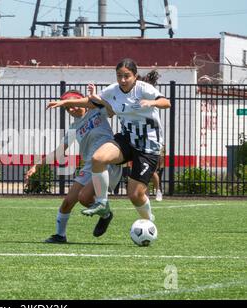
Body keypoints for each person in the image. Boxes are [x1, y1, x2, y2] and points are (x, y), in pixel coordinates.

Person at [47, 59, 171, 223]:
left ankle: (149, 222)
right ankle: (102, 203)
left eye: (127, 76)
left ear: (135, 76)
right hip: (126, 139)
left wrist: (152, 102)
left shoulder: (144, 89)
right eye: (119, 76)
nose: (122, 80)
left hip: (147, 145)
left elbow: (166, 102)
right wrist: (66, 101)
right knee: (98, 158)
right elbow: (92, 102)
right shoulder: (114, 90)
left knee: (135, 195)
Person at [25, 90, 122, 243]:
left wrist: (96, 98)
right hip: (89, 165)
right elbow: (59, 151)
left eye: (72, 105)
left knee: (84, 197)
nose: (71, 109)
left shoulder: (97, 110)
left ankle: (105, 214)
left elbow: (112, 110)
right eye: (67, 108)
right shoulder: (73, 128)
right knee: (67, 202)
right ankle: (60, 235)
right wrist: (37, 165)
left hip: (106, 160)